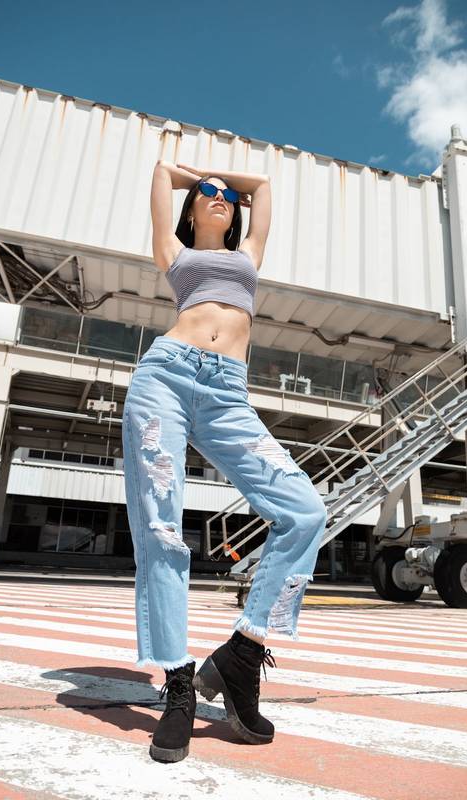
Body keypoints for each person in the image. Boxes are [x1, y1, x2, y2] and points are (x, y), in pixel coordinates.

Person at [121, 160, 328, 763]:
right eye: (208, 195)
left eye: (224, 197)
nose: (219, 198)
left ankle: (241, 654)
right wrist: (185, 179)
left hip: (227, 394)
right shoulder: (174, 253)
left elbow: (262, 186)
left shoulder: (250, 254)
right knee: (161, 529)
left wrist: (218, 179)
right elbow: (159, 173)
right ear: (191, 212)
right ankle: (179, 686)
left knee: (305, 511)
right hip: (165, 377)